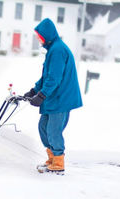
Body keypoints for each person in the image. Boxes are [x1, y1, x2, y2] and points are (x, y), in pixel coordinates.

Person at [24, 18, 82, 174]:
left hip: (61, 98)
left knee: (53, 130)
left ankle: (58, 163)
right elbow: (46, 76)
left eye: (39, 36)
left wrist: (41, 95)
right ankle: (52, 158)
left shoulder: (57, 50)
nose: (38, 39)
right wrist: (34, 90)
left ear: (47, 35)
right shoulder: (53, 49)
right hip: (55, 96)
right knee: (43, 127)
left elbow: (54, 78)